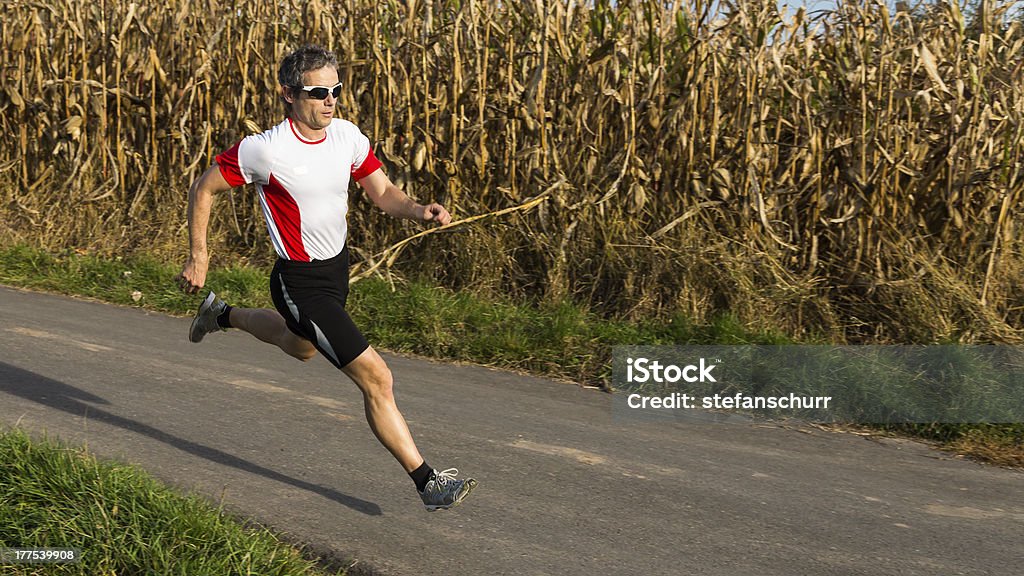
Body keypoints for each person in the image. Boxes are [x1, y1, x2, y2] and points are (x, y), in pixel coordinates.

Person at [175, 44, 476, 511]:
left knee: (301, 348)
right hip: (299, 284)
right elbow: (204, 187)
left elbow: (383, 192)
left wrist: (418, 210)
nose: (330, 100)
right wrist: (199, 255)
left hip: (336, 272)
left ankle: (222, 314)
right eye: (319, 92)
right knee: (377, 378)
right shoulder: (265, 150)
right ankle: (427, 482)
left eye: (336, 90)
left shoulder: (347, 137)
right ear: (289, 95)